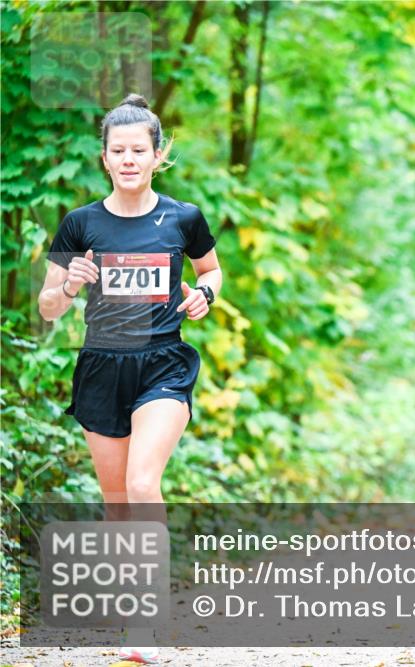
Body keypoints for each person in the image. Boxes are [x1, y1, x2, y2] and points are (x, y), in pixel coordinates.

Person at [37, 94, 222, 665]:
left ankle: (145, 622)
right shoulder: (81, 223)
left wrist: (204, 297)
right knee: (117, 503)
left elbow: (211, 271)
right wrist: (70, 284)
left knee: (143, 486)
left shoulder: (183, 218)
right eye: (118, 151)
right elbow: (47, 308)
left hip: (163, 363)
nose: (128, 160)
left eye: (138, 150)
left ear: (157, 154)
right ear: (104, 157)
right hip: (101, 367)